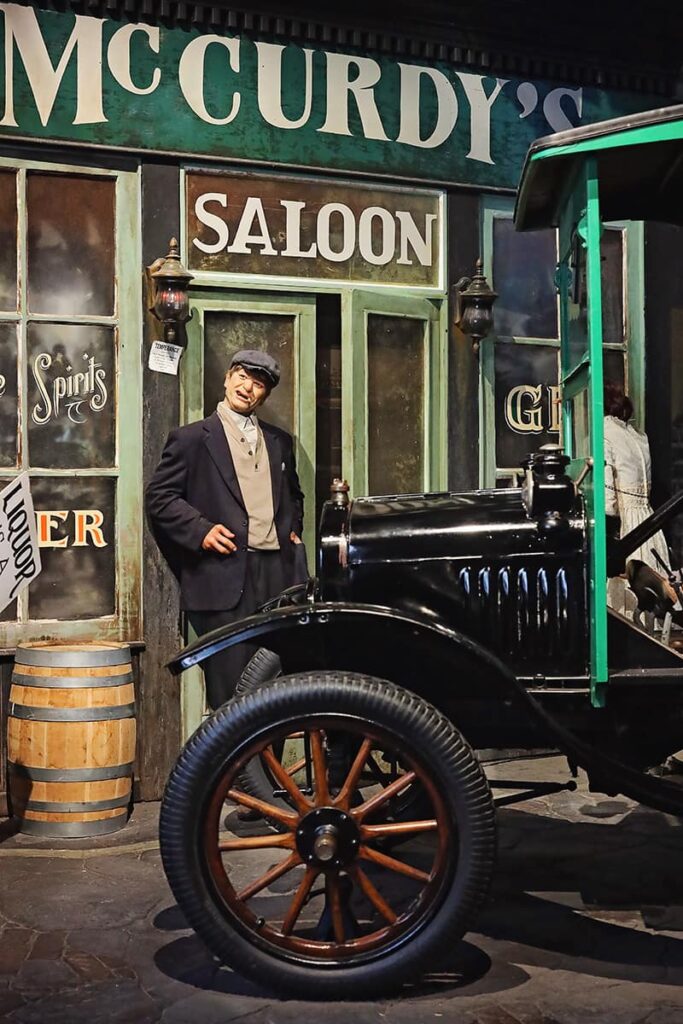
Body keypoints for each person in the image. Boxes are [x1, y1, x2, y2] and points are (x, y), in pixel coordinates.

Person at [146, 349, 306, 710]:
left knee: (278, 691)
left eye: (258, 383)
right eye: (242, 376)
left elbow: (295, 496)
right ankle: (237, 769)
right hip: (224, 581)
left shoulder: (279, 442)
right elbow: (160, 498)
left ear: (265, 394)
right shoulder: (191, 439)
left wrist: (292, 531)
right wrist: (201, 530)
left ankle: (269, 769)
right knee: (231, 696)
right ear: (227, 378)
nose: (247, 387)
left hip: (277, 580)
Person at [604, 381, 670, 617]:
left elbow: (608, 495)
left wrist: (607, 531)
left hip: (626, 525)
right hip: (647, 520)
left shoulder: (605, 431)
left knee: (627, 599)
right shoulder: (638, 435)